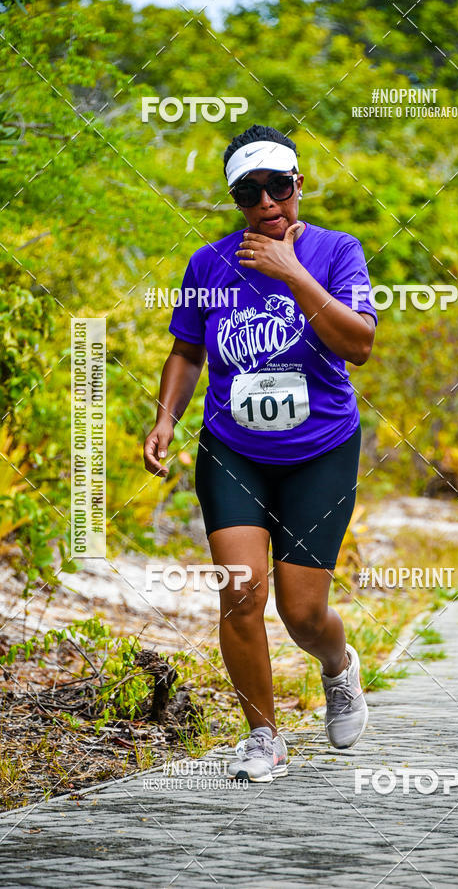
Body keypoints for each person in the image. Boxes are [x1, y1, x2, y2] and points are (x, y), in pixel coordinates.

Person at [143, 124, 377, 783]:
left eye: (279, 185)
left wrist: (292, 272)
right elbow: (188, 350)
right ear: (236, 199)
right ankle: (263, 737)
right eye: (250, 191)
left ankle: (338, 667)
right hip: (233, 448)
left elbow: (357, 344)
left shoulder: (337, 251)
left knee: (301, 610)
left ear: (300, 184)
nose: (268, 201)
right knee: (241, 593)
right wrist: (166, 418)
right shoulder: (208, 264)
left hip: (319, 448)